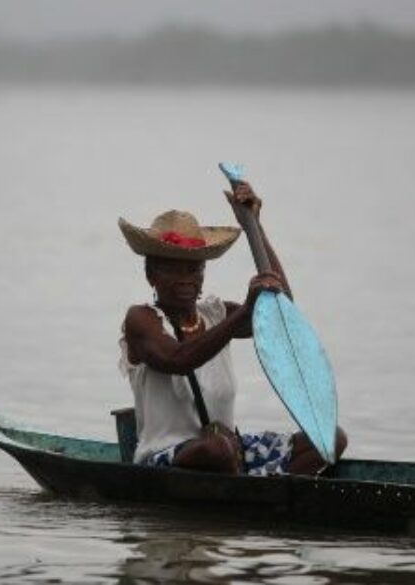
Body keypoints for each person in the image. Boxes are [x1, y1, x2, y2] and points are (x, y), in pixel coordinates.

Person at [118, 181, 347, 476]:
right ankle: (255, 501)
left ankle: (270, 501)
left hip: (230, 452)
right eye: (172, 268)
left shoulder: (215, 313)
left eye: (194, 268)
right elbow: (178, 359)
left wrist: (253, 225)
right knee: (216, 449)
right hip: (166, 459)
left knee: (330, 439)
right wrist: (241, 318)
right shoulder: (142, 319)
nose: (186, 278)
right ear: (151, 275)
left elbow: (281, 315)